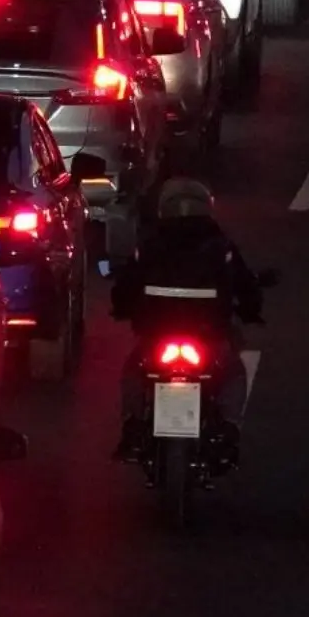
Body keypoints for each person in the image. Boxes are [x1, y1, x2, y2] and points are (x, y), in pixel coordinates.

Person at [109, 177, 264, 468]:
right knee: (233, 372)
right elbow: (244, 285)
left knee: (134, 370)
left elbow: (127, 283)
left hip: (157, 332)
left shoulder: (149, 244)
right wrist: (251, 309)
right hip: (209, 333)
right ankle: (228, 429)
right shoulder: (221, 246)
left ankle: (132, 428)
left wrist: (121, 308)